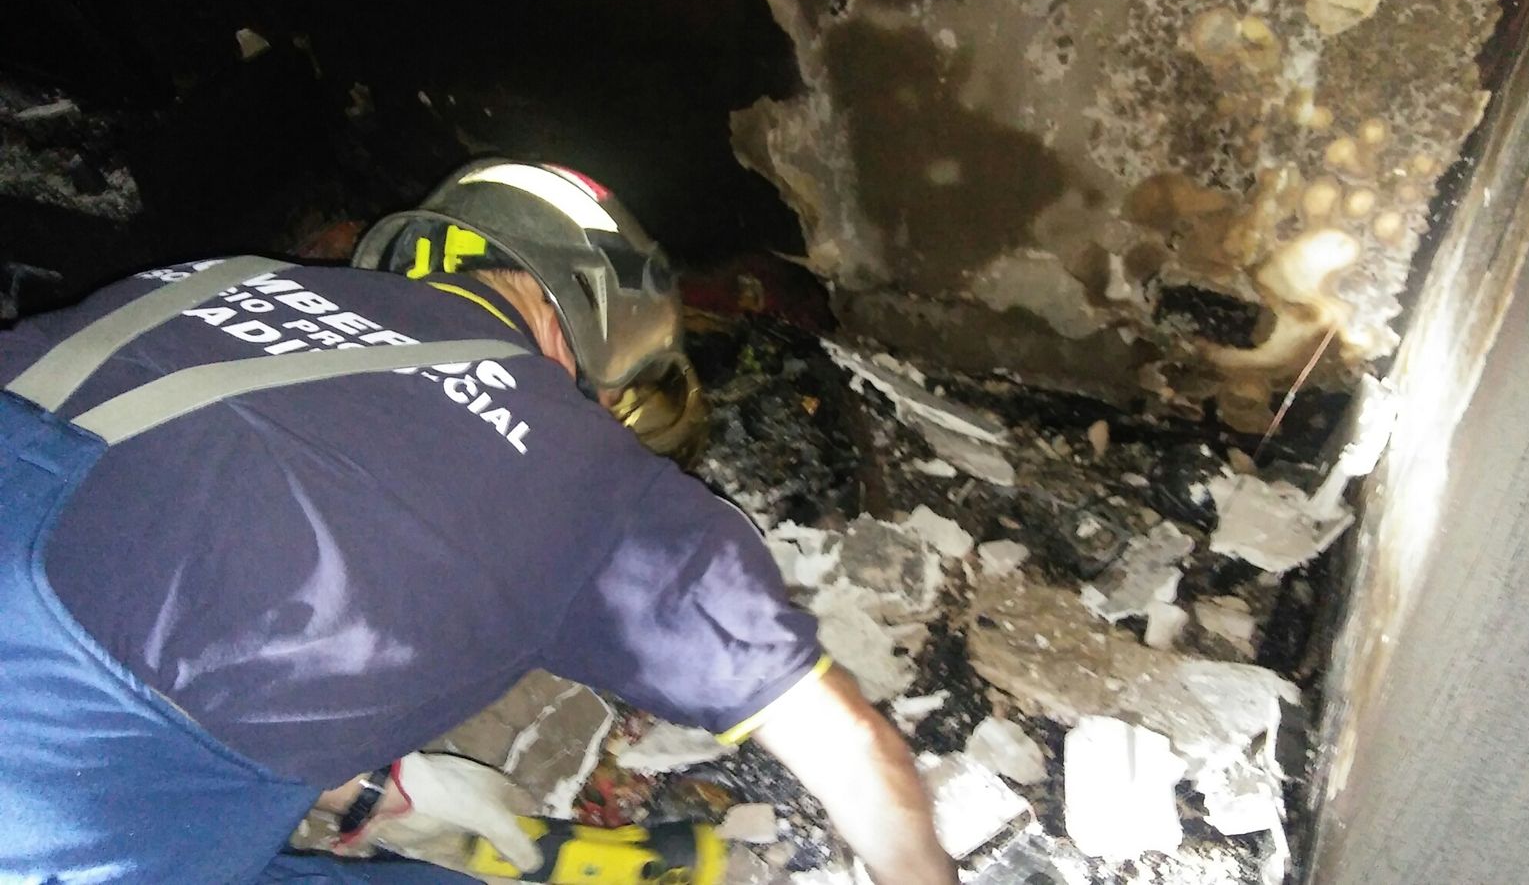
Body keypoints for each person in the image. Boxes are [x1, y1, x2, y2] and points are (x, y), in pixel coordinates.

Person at [0, 159, 956, 883]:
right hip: (63, 804)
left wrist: (362, 785)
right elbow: (854, 751)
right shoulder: (595, 475)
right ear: (582, 313)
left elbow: (168, 544)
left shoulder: (205, 281)